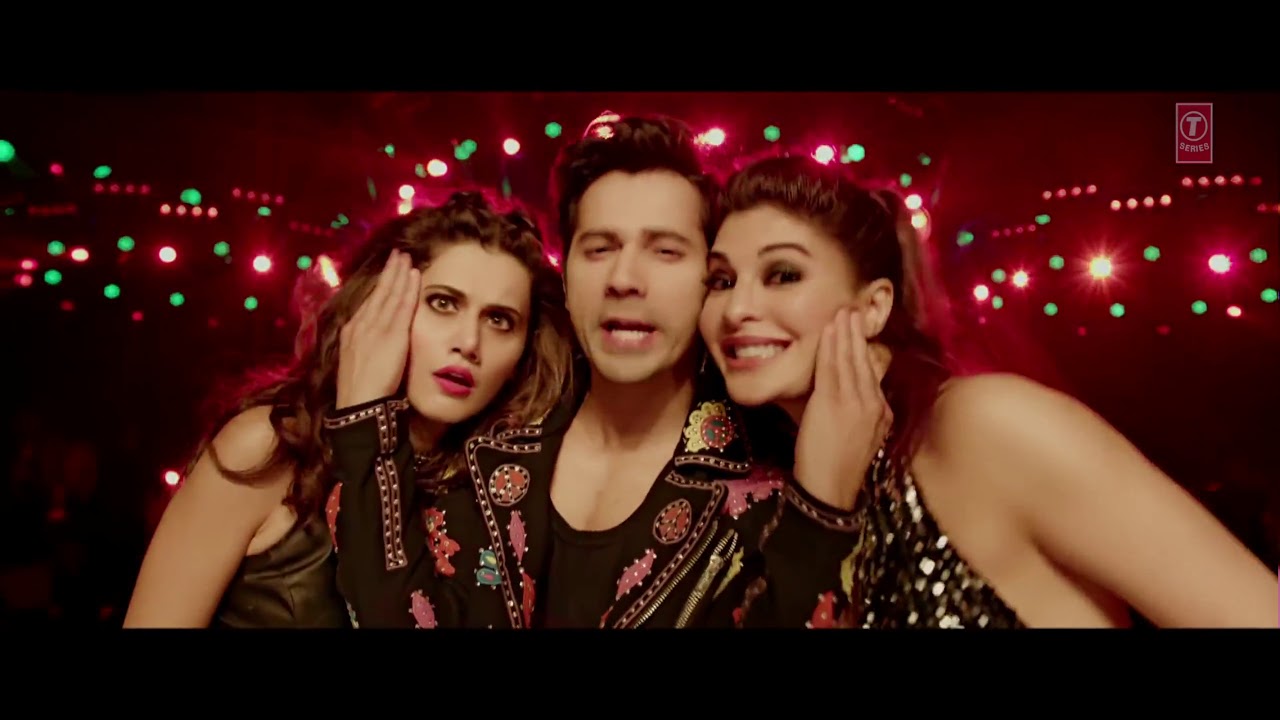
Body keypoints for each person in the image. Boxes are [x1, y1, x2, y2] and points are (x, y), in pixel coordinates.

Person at [331, 114, 874, 628]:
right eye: (599, 248)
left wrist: (820, 515)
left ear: (711, 280)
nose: (624, 278)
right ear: (566, 276)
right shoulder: (485, 440)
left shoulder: (768, 489)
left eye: (665, 251)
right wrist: (363, 420)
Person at [699, 154, 1280, 628]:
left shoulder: (983, 425)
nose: (737, 308)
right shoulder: (780, 490)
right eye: (721, 280)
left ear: (874, 306)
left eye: (783, 275)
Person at [122, 191, 572, 628]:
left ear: (521, 357)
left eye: (499, 320)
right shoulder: (268, 448)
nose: (469, 343)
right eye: (442, 303)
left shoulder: (500, 492)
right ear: (375, 306)